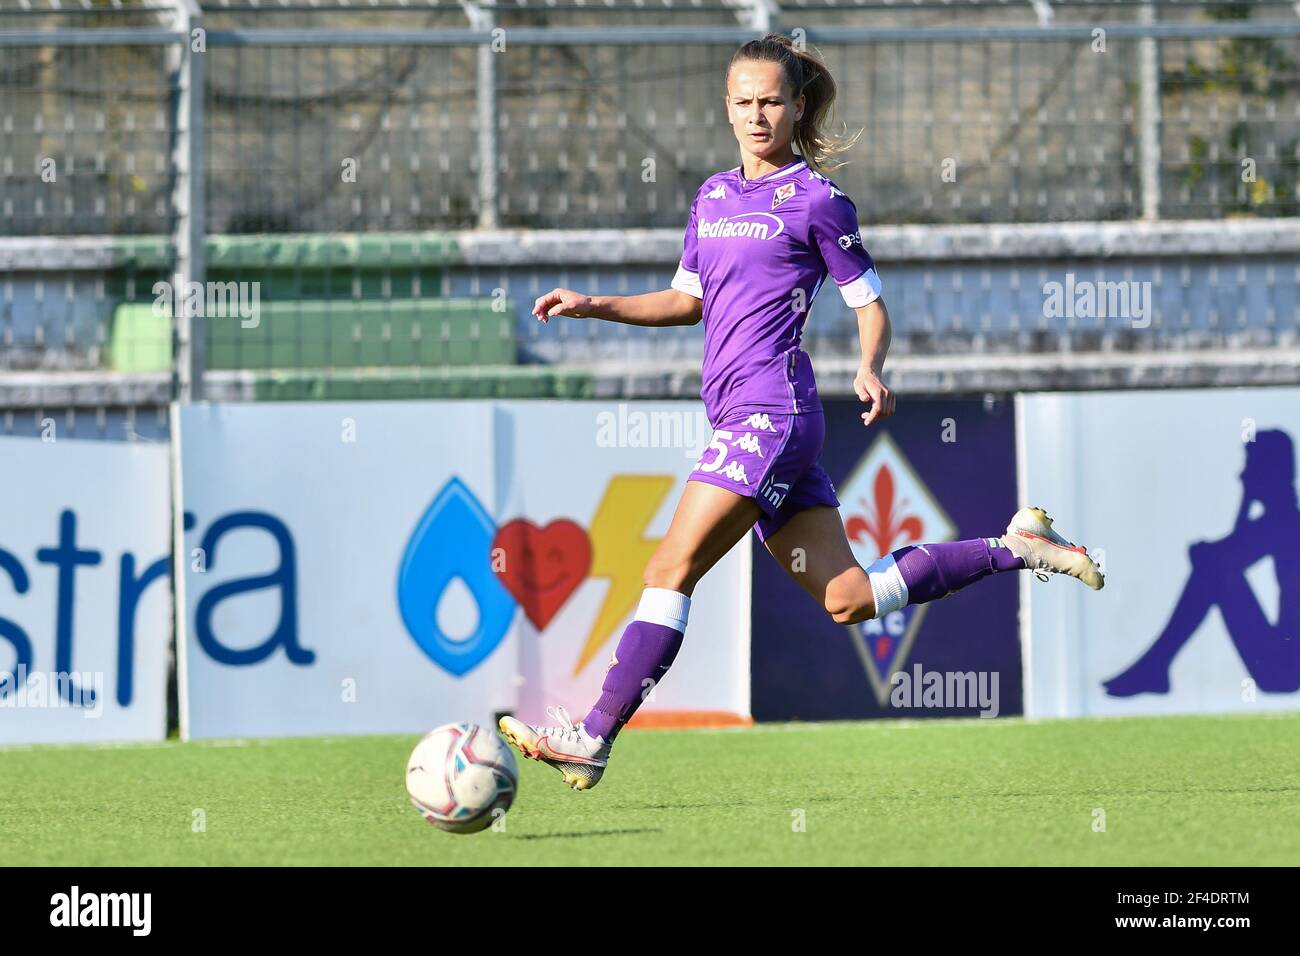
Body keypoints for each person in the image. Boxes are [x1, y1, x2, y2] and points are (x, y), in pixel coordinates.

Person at [500, 34, 1104, 790]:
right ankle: (1018, 547)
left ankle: (592, 735)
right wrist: (595, 305)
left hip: (772, 413)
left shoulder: (817, 200)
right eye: (744, 102)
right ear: (727, 108)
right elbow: (685, 301)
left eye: (772, 102)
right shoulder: (713, 196)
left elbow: (869, 303)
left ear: (796, 106)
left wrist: (870, 366)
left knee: (669, 565)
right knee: (849, 599)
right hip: (736, 417)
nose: (758, 116)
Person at [1105, 430, 1299, 697]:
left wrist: (1246, 500)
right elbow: (1227, 556)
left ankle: (1156, 664)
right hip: (1283, 664)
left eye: (1250, 466)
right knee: (1213, 568)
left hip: (1286, 668)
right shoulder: (1282, 520)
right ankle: (1156, 665)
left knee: (1211, 568)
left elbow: (1219, 558)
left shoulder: (1284, 522)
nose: (1242, 475)